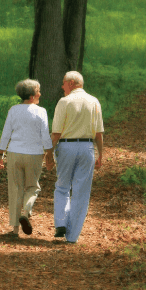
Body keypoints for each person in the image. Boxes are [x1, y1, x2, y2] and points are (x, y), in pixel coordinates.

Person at [46, 71, 104, 244]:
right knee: (81, 192)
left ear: (71, 83)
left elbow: (56, 133)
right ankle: (72, 236)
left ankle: (61, 223)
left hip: (66, 146)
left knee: (62, 187)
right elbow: (99, 134)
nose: (62, 86)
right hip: (87, 147)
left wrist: (48, 154)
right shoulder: (94, 101)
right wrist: (100, 155)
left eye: (64, 83)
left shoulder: (65, 102)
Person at [0, 79, 54, 238]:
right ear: (32, 95)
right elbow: (45, 136)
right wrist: (49, 154)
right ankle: (26, 211)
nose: (40, 94)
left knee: (15, 189)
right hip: (34, 154)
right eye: (38, 91)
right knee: (32, 187)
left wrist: (0, 155)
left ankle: (15, 230)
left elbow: (6, 134)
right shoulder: (41, 111)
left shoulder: (13, 110)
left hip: (14, 153)